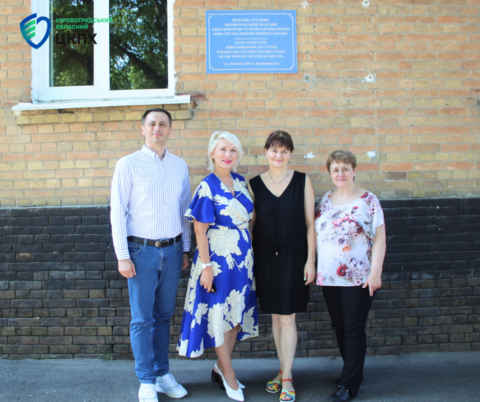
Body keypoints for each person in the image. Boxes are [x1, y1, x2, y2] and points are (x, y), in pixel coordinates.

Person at [110, 108, 191, 402]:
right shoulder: (128, 164)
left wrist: (185, 249)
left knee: (163, 316)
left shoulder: (180, 166)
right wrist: (122, 256)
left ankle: (162, 374)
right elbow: (117, 211)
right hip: (139, 251)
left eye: (163, 124)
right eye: (152, 123)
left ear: (170, 129)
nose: (158, 128)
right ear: (143, 129)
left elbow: (185, 210)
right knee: (142, 319)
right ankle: (146, 379)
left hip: (172, 250)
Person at [177, 131, 258, 402]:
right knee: (220, 315)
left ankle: (221, 367)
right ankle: (229, 374)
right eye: (223, 149)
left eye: (233, 150)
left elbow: (249, 220)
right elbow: (199, 232)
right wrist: (207, 267)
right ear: (213, 153)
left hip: (241, 261)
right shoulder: (207, 186)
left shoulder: (241, 182)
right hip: (217, 261)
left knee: (234, 314)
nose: (228, 155)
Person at [248, 131, 316, 402]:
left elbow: (310, 224)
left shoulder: (302, 181)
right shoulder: (254, 184)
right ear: (266, 152)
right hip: (265, 256)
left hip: (295, 254)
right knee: (276, 316)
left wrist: (310, 260)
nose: (279, 155)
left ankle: (287, 377)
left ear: (290, 154)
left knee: (288, 317)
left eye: (284, 151)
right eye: (274, 150)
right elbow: (251, 227)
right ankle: (282, 369)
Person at [315, 150, 386, 402]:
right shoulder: (325, 200)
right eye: (335, 169)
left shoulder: (368, 200)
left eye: (345, 168)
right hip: (329, 278)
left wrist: (375, 272)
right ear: (330, 174)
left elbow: (379, 239)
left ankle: (349, 384)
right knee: (340, 327)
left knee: (354, 329)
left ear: (354, 171)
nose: (340, 173)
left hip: (358, 277)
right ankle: (352, 372)